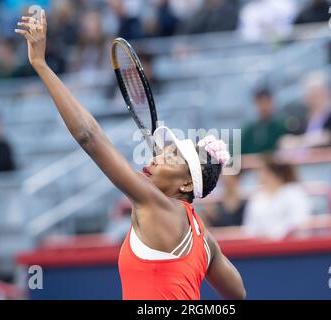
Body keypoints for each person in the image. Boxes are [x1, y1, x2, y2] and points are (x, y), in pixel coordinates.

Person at [14, 11, 245, 300]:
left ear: (186, 184)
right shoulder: (205, 239)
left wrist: (40, 64)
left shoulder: (154, 202)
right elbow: (238, 293)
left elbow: (89, 137)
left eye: (170, 156)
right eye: (162, 152)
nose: (156, 158)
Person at [243, 154, 311, 240]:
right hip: (261, 247)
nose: (257, 174)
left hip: (290, 245)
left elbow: (299, 221)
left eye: (261, 170)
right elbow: (250, 227)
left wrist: (276, 236)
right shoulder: (256, 197)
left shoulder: (294, 192)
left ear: (273, 173)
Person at [279, 72, 331, 149]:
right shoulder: (304, 118)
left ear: (325, 93)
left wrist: (298, 141)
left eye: (316, 93)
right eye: (310, 93)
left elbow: (326, 138)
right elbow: (285, 141)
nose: (312, 98)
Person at [241, 87, 286, 154]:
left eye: (267, 102)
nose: (264, 106)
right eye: (260, 102)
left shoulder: (281, 126)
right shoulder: (249, 129)